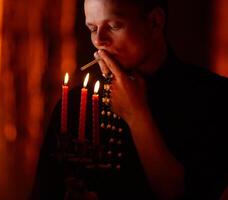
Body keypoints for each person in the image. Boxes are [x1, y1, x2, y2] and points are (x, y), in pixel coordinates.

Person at [32, 0, 228, 199]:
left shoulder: (214, 96)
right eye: (92, 28)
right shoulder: (76, 102)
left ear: (155, 22)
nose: (99, 40)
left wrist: (136, 114)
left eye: (114, 26)